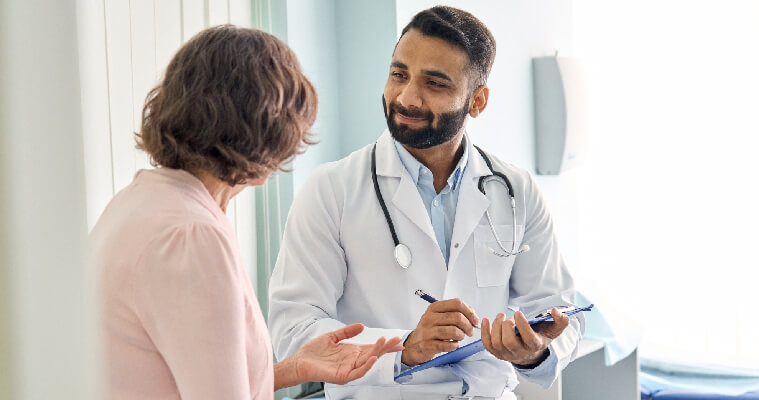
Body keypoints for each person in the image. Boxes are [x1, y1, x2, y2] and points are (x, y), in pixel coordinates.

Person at [268, 6, 583, 400]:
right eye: (399, 74)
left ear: (477, 101)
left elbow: (558, 311)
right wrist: (406, 346)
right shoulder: (331, 190)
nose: (407, 97)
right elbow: (292, 331)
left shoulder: (516, 191)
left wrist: (534, 351)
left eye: (435, 83)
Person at [89, 25, 402, 399]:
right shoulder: (192, 236)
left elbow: (187, 377)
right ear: (268, 128)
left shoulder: (138, 201)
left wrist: (295, 368)